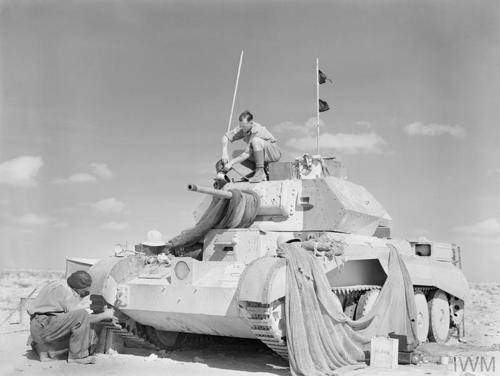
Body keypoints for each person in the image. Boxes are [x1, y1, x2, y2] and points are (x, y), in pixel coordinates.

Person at [27, 270, 115, 364]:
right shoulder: (68, 293)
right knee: (82, 317)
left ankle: (42, 349)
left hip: (36, 327)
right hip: (46, 327)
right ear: (78, 288)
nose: (85, 294)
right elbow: (83, 319)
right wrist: (106, 315)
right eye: (85, 291)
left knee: (71, 325)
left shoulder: (57, 284)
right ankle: (77, 356)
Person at [221, 110, 281, 183]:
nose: (242, 128)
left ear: (251, 123)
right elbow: (225, 137)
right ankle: (257, 171)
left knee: (256, 141)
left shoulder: (257, 129)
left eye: (244, 126)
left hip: (273, 153)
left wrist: (231, 163)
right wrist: (224, 153)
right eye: (241, 126)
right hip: (261, 154)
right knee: (235, 153)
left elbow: (247, 153)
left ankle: (260, 173)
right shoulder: (242, 128)